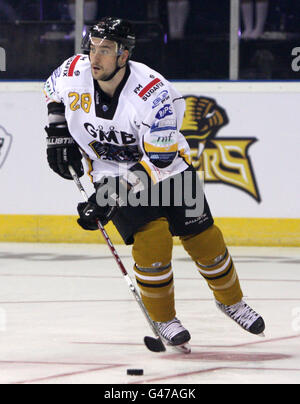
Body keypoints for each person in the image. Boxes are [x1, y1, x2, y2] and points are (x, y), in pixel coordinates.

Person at [43, 17, 265, 352]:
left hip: (168, 167)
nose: (95, 57)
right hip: (110, 171)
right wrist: (57, 133)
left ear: (124, 55)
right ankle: (164, 318)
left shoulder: (154, 94)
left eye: (106, 50)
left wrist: (110, 197)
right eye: (93, 48)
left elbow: (159, 161)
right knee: (153, 239)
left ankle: (231, 302)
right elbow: (50, 89)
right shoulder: (73, 71)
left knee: (205, 239)